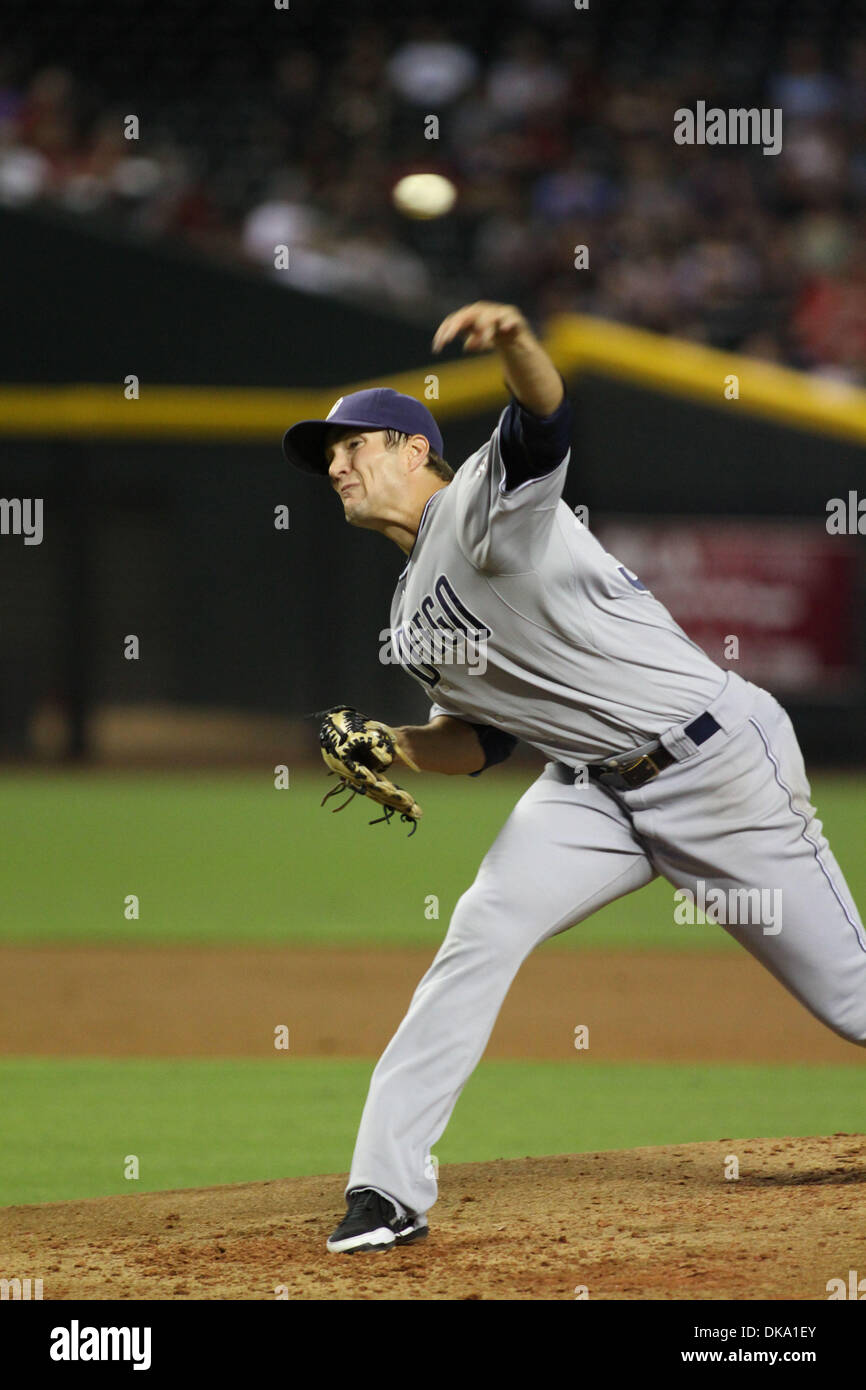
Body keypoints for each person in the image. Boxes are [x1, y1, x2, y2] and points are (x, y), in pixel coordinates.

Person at [282, 301, 866, 1255]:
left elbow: (544, 418)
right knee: (480, 931)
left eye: (350, 447)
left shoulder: (477, 505)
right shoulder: (410, 615)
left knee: (852, 1001)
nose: (335, 467)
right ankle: (386, 1192)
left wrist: (515, 344)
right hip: (592, 790)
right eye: (326, 459)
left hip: (716, 764)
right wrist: (389, 743)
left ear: (410, 446)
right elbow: (479, 743)